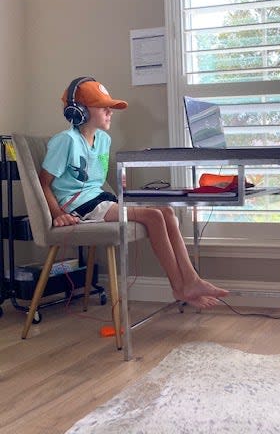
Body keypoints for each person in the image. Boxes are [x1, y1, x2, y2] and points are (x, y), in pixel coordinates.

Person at [39, 77, 229, 309]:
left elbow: (96, 182)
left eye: (110, 107)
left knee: (167, 211)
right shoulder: (65, 141)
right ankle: (179, 287)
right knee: (153, 216)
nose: (110, 112)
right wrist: (58, 213)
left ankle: (191, 280)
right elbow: (44, 182)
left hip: (99, 199)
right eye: (103, 107)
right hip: (78, 206)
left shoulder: (104, 140)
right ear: (79, 111)